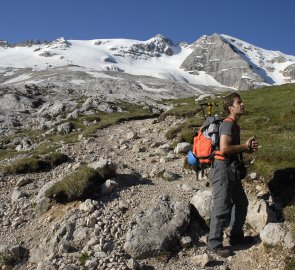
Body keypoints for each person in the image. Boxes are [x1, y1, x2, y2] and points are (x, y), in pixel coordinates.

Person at [207, 92, 259, 257]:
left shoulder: (234, 125)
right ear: (231, 107)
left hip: (230, 169)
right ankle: (214, 243)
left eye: (242, 101)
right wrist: (245, 146)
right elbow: (224, 149)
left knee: (241, 202)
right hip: (222, 169)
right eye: (238, 102)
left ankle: (236, 237)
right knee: (222, 206)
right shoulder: (228, 124)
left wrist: (246, 148)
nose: (242, 104)